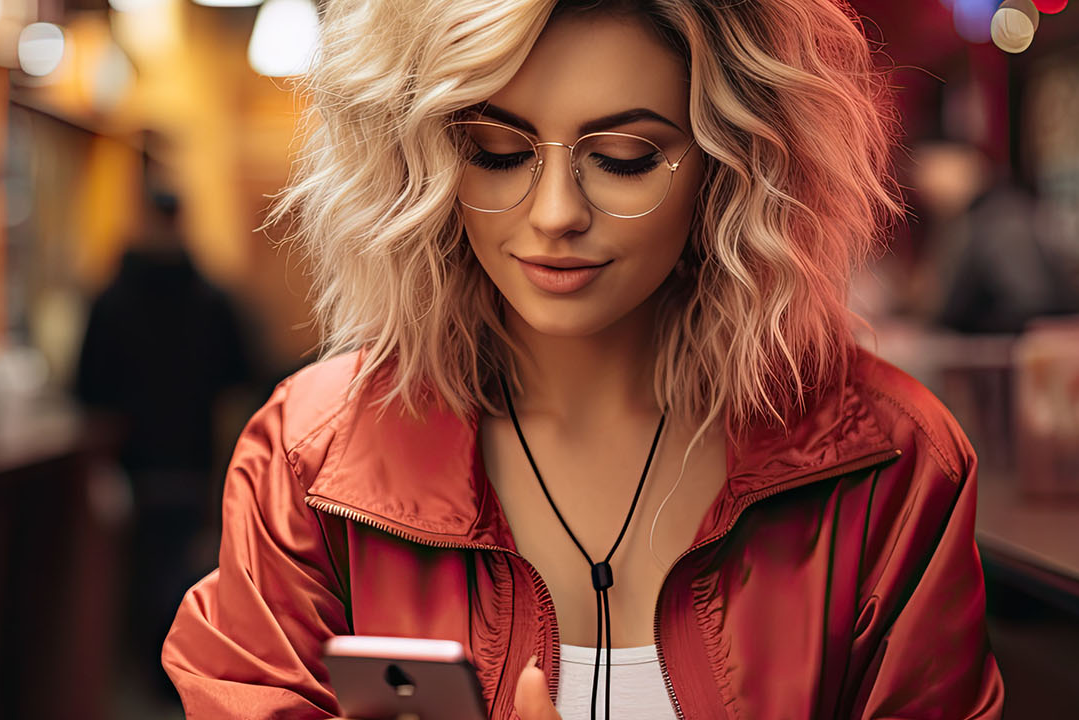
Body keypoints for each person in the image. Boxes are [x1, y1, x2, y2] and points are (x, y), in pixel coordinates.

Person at [164, 1, 1005, 718]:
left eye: (623, 158)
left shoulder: (887, 466)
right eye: (497, 151)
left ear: (732, 163)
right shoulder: (309, 467)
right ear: (424, 159)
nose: (556, 212)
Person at [75, 189, 254, 706]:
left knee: (136, 583)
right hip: (195, 465)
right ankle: (181, 683)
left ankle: (148, 686)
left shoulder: (111, 301)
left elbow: (86, 391)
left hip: (131, 469)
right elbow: (239, 388)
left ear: (143, 221)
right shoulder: (212, 300)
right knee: (189, 578)